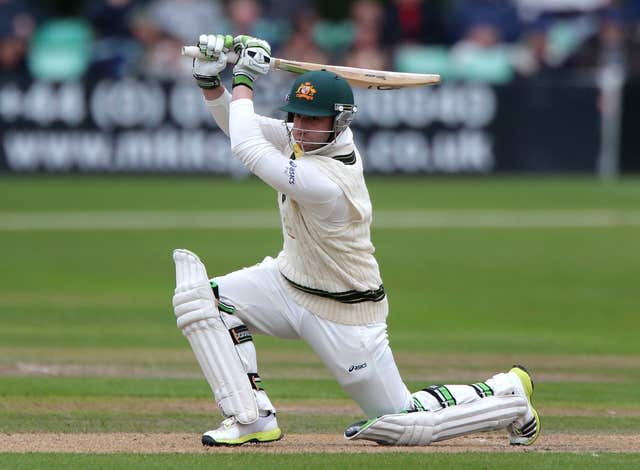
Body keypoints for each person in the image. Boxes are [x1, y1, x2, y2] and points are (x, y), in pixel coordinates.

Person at [171, 33, 541, 447]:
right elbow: (239, 125)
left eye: (313, 120)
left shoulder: (329, 182)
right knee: (201, 300)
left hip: (345, 314)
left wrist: (244, 77)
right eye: (295, 116)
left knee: (401, 422)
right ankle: (251, 417)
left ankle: (508, 396)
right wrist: (211, 83)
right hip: (287, 283)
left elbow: (246, 145)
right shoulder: (305, 139)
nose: (300, 129)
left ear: (340, 121)